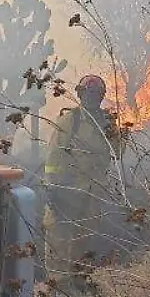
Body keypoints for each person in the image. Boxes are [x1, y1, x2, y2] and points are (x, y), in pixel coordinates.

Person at [41, 74, 117, 279]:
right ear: (80, 94)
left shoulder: (107, 123)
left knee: (84, 240)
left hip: (93, 195)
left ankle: (79, 283)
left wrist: (118, 132)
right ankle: (58, 289)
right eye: (88, 93)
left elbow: (118, 153)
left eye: (96, 93)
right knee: (58, 241)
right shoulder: (70, 120)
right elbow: (54, 155)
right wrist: (53, 188)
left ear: (102, 96)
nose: (91, 97)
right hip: (66, 192)